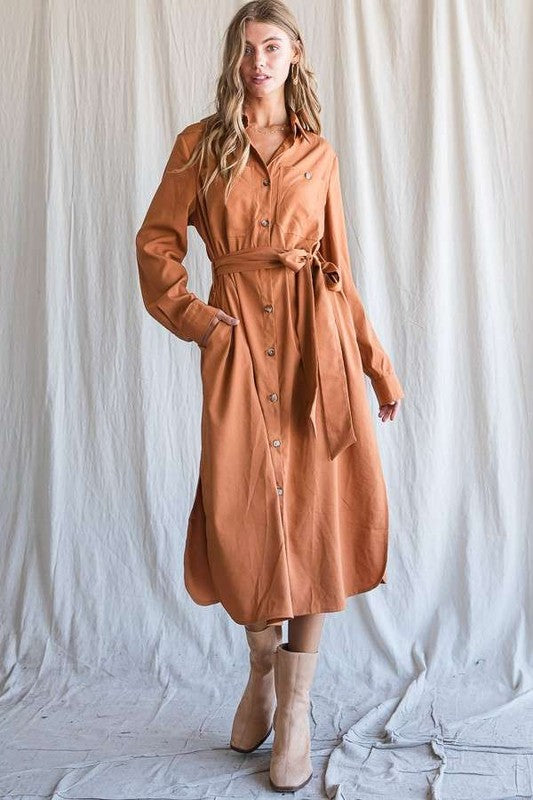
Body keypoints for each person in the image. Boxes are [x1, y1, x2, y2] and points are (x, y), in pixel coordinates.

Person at [135, 0, 404, 792]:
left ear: (294, 56)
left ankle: (296, 713)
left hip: (316, 348)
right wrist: (199, 321)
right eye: (248, 48)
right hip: (237, 346)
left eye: (273, 46)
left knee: (317, 516)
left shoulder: (318, 153)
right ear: (234, 58)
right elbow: (156, 243)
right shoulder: (200, 145)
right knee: (241, 509)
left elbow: (338, 272)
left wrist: (375, 364)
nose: (259, 61)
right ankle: (260, 669)